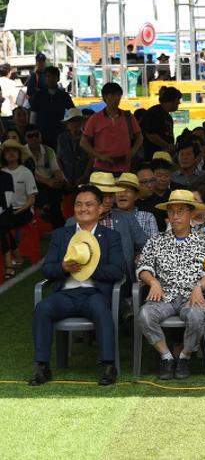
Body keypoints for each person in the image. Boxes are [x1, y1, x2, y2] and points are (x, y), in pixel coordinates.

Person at [28, 185, 124, 386]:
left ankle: (108, 365)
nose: (83, 209)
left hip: (94, 293)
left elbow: (117, 271)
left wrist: (87, 267)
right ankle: (41, 366)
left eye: (89, 204)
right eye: (79, 204)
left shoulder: (111, 236)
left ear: (100, 209)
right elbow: (47, 269)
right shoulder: (61, 234)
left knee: (101, 309)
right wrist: (63, 267)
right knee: (42, 308)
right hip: (66, 294)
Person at [136, 189, 205, 380]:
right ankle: (166, 356)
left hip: (192, 294)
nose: (175, 216)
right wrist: (153, 281)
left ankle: (184, 356)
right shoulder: (156, 240)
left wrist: (199, 287)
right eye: (171, 212)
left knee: (196, 315)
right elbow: (143, 267)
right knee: (145, 314)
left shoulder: (204, 241)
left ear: (191, 213)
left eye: (180, 211)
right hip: (163, 296)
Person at [80, 83, 142, 173]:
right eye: (112, 95)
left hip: (125, 167)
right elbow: (83, 142)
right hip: (101, 167)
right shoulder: (95, 118)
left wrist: (132, 153)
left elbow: (139, 137)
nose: (116, 98)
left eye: (118, 95)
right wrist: (99, 156)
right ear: (105, 97)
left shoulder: (128, 116)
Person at [1, 139, 37, 273]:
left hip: (24, 210)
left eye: (14, 151)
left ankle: (11, 259)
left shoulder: (26, 172)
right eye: (8, 151)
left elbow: (31, 200)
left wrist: (16, 211)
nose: (11, 154)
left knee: (3, 225)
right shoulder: (2, 172)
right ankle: (14, 257)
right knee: (3, 224)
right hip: (6, 211)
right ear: (3, 155)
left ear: (19, 154)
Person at [25, 126, 66, 228]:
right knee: (50, 193)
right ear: (25, 138)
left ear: (40, 136)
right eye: (30, 136)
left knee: (56, 190)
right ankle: (56, 223)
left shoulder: (48, 150)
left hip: (49, 183)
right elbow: (28, 173)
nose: (34, 138)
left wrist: (58, 178)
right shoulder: (22, 152)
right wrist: (48, 181)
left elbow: (56, 169)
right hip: (30, 183)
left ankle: (48, 212)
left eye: (36, 135)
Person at [28, 66, 74, 148]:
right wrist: (33, 133)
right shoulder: (38, 95)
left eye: (54, 76)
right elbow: (33, 115)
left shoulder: (64, 95)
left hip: (59, 133)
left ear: (58, 78)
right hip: (42, 134)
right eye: (48, 76)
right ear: (45, 78)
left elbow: (73, 112)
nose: (51, 79)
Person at [140, 86, 181, 160]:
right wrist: (167, 146)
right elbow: (150, 134)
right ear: (171, 100)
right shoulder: (154, 113)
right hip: (152, 156)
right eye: (177, 100)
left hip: (163, 156)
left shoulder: (167, 116)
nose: (179, 102)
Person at [115, 173, 158, 237]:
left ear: (136, 196)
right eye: (118, 191)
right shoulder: (108, 216)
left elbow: (154, 244)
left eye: (127, 191)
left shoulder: (148, 218)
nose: (122, 194)